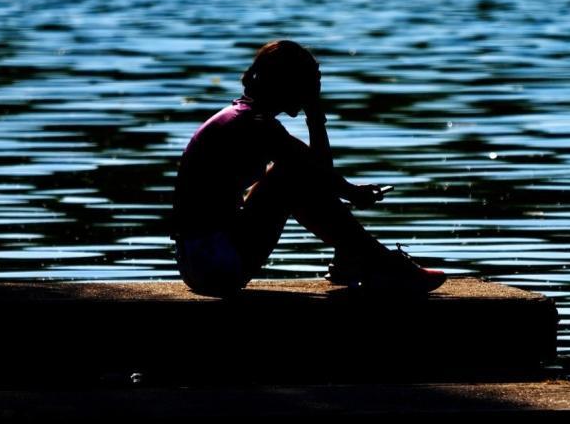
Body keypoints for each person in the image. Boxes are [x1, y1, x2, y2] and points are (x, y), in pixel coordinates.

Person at [172, 40, 446, 297]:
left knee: (288, 176)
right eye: (310, 84)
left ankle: (360, 259)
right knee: (288, 178)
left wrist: (344, 186)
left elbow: (318, 174)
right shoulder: (253, 123)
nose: (314, 92)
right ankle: (381, 264)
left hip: (201, 262)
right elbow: (317, 173)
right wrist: (316, 118)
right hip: (213, 265)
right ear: (287, 83)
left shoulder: (245, 115)